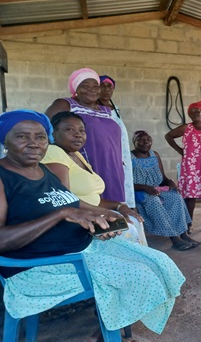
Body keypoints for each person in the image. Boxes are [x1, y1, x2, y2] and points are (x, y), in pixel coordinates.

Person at [0, 110, 185, 342]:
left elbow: (72, 203)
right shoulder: (3, 177)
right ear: (4, 141)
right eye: (22, 137)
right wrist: (62, 214)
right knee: (137, 275)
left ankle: (108, 333)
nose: (34, 144)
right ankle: (105, 341)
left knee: (158, 262)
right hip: (39, 267)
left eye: (40, 137)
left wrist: (101, 216)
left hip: (79, 249)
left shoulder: (45, 171)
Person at [41, 111, 147, 246]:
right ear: (53, 134)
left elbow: (93, 198)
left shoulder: (76, 155)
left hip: (90, 213)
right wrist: (106, 212)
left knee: (132, 219)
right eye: (69, 129)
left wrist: (120, 206)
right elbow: (64, 200)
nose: (78, 134)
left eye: (82, 130)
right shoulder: (54, 152)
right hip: (76, 220)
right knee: (128, 227)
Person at [45, 68, 125, 203]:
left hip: (111, 163)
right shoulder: (66, 104)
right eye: (85, 86)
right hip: (83, 160)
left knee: (113, 201)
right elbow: (45, 128)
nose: (92, 89)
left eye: (95, 86)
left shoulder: (106, 110)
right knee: (89, 194)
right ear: (75, 89)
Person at [131, 130, 198, 251]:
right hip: (139, 191)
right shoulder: (129, 157)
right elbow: (127, 183)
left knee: (176, 197)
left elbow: (163, 177)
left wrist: (169, 182)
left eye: (148, 139)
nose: (145, 142)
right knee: (154, 201)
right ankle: (174, 238)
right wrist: (145, 187)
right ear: (134, 142)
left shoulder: (154, 155)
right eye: (141, 139)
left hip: (156, 189)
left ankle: (183, 234)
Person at [164, 101, 201, 233]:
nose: (195, 113)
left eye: (198, 111)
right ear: (189, 116)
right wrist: (180, 150)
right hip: (191, 167)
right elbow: (168, 136)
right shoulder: (186, 128)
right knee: (191, 196)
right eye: (192, 112)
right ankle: (189, 224)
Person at [98, 74, 137, 211]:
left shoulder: (115, 108)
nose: (107, 89)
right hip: (106, 153)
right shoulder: (94, 108)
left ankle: (125, 209)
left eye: (110, 86)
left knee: (124, 182)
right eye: (103, 85)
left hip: (122, 153)